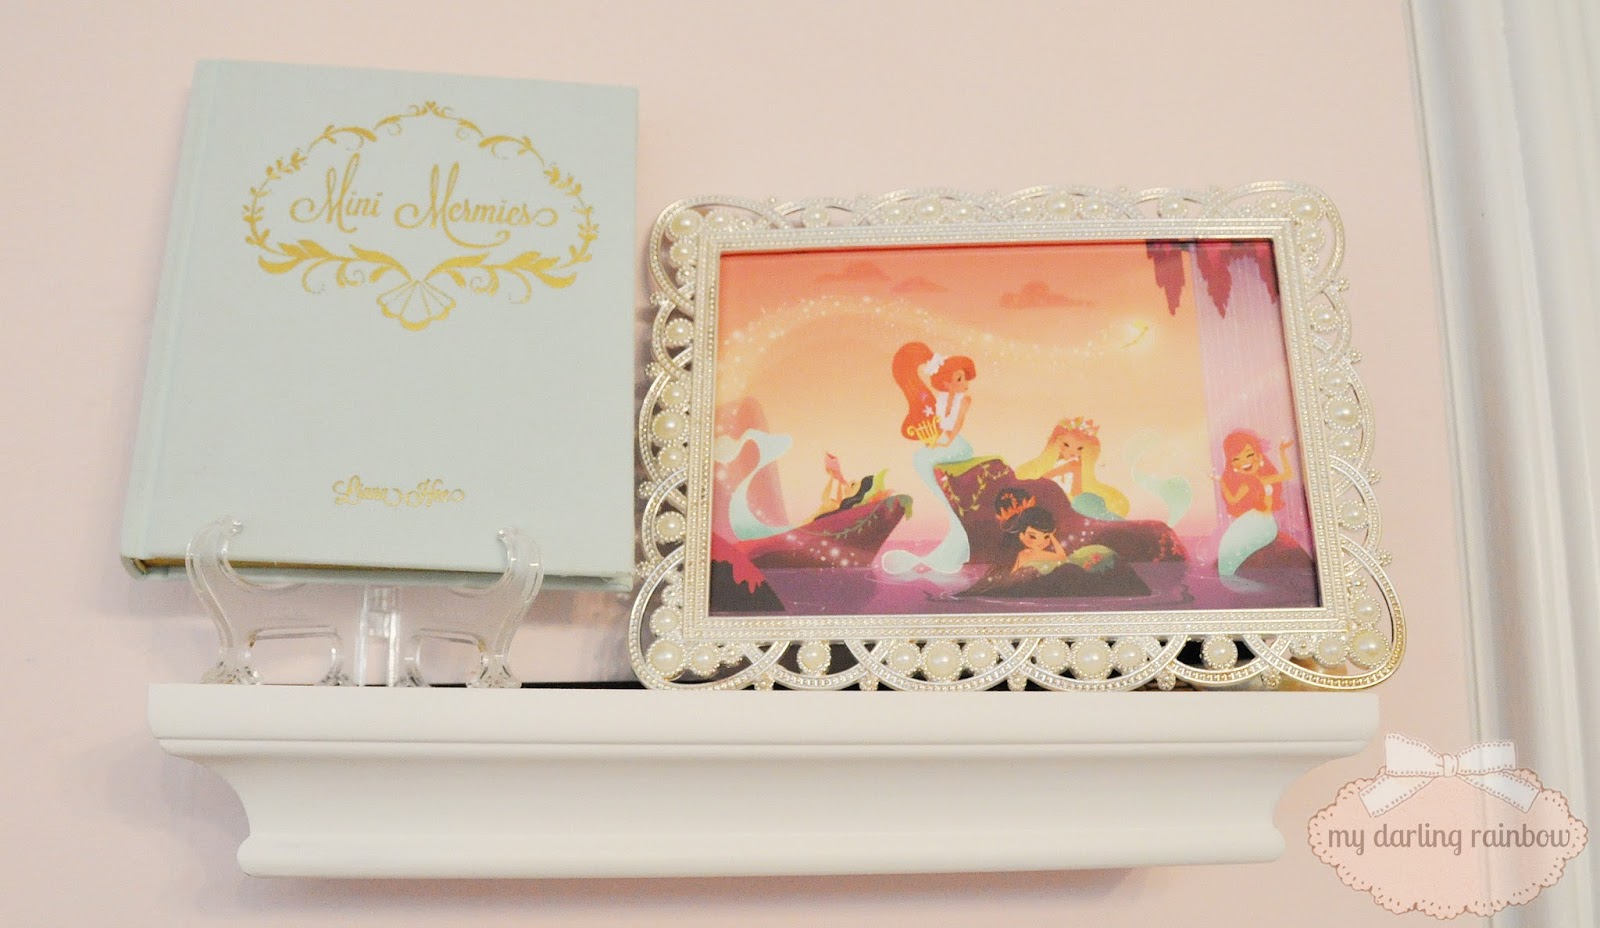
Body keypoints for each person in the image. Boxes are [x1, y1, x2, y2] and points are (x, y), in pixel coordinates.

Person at [880, 341, 976, 575]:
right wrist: (936, 438)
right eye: (957, 379)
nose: (963, 383)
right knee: (921, 459)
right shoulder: (941, 399)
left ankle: (958, 539)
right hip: (941, 443)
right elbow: (937, 421)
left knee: (924, 461)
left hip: (956, 446)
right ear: (945, 381)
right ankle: (956, 538)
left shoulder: (964, 400)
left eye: (964, 378)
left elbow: (956, 424)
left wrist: (945, 441)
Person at [1214, 429, 1296, 576]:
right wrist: (1222, 482)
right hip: (1253, 522)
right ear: (1232, 465)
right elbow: (1233, 500)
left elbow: (1288, 474)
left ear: (1259, 455)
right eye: (1236, 459)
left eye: (1249, 455)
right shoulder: (1246, 485)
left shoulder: (1263, 480)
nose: (1245, 462)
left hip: (1266, 523)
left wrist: (1282, 452)